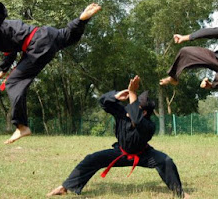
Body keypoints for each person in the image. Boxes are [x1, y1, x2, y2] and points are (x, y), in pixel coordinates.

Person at [0, 0, 101, 144]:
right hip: (45, 33)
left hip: (36, 45)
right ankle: (81, 20)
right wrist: (3, 68)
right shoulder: (8, 28)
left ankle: (22, 126)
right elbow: (11, 51)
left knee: (13, 82)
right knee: (66, 35)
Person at [47, 75, 189, 198]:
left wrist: (133, 92)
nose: (129, 109)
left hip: (144, 155)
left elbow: (137, 120)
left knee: (166, 161)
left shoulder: (149, 126)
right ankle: (65, 187)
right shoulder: (122, 114)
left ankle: (180, 193)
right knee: (91, 159)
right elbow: (103, 102)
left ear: (144, 113)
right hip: (121, 152)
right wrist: (115, 96)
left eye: (135, 106)